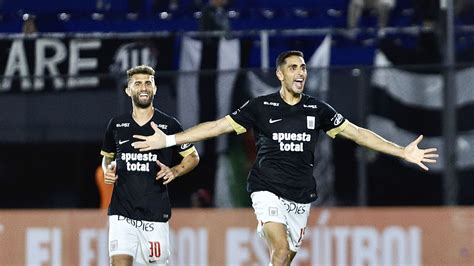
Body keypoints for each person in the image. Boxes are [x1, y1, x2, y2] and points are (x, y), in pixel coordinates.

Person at [131, 51, 438, 265]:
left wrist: (402, 150)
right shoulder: (260, 107)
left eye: (303, 67)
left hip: (301, 196)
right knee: (279, 252)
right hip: (266, 189)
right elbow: (216, 127)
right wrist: (169, 139)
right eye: (293, 67)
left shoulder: (317, 109)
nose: (300, 72)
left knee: (285, 256)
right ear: (280, 74)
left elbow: (357, 133)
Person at [100, 65, 200, 265]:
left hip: (154, 213)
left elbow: (192, 156)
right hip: (122, 212)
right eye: (137, 83)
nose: (143, 87)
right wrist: (107, 169)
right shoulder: (117, 125)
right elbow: (107, 157)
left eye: (148, 83)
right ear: (128, 90)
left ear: (155, 89)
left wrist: (175, 171)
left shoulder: (169, 124)